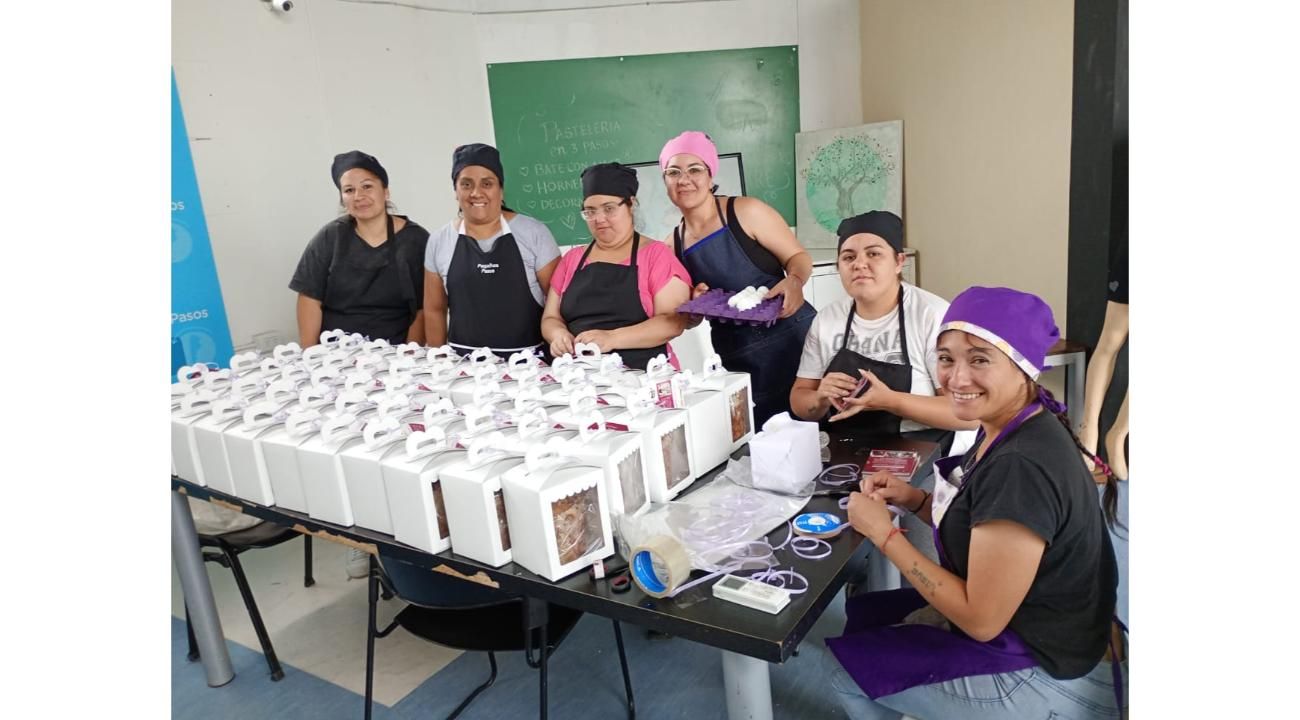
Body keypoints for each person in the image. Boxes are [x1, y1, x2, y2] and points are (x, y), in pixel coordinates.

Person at [825, 286, 1125, 720]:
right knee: (869, 615)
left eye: (980, 359)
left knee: (845, 671)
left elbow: (981, 621)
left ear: (1023, 367)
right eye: (946, 358)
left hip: (1053, 670)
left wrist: (883, 532)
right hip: (1048, 626)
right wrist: (915, 499)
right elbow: (981, 522)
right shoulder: (1008, 426)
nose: (956, 378)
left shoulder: (1021, 467)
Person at [660, 131, 815, 424]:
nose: (684, 180)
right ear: (665, 181)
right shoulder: (672, 246)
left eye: (695, 169)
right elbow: (689, 318)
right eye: (673, 172)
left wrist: (794, 280)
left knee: (823, 429)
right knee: (765, 439)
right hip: (740, 357)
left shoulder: (746, 211)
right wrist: (695, 304)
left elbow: (798, 258)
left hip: (794, 338)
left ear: (710, 175)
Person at [789, 211, 975, 448]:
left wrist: (890, 401)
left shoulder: (933, 316)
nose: (859, 264)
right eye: (848, 257)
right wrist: (820, 398)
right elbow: (800, 400)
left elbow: (968, 415)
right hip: (846, 448)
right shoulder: (827, 319)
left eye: (874, 253)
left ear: (899, 262)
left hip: (922, 448)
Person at [541, 162, 692, 370]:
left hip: (643, 374)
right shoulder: (572, 259)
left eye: (609, 209)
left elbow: (673, 322)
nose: (599, 219)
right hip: (576, 376)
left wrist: (612, 338)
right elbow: (550, 317)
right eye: (590, 211)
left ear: (631, 204)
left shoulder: (657, 255)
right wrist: (558, 335)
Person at [423, 143, 561, 357]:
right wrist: (439, 360)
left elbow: (559, 302)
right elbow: (434, 310)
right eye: (466, 184)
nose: (476, 193)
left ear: (500, 189)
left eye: (487, 184)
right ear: (455, 190)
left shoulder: (534, 233)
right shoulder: (439, 240)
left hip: (529, 364)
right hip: (464, 366)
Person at [290, 150, 429, 347]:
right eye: (349, 190)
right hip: (336, 353)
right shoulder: (330, 237)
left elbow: (425, 307)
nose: (359, 196)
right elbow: (309, 298)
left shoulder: (416, 240)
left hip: (394, 352)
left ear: (386, 191)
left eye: (367, 186)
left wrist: (410, 353)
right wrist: (310, 355)